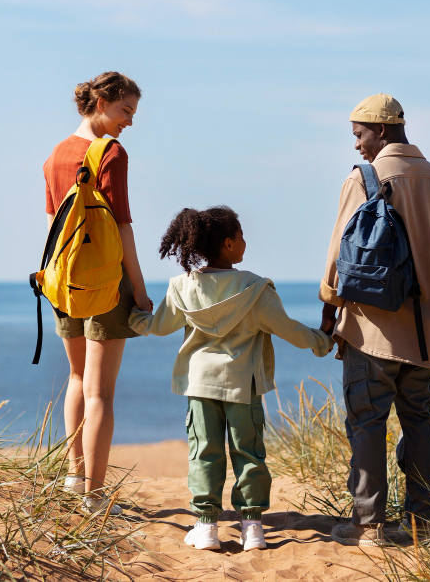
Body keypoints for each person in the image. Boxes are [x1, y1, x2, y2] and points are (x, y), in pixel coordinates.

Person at [129, 206, 333, 552]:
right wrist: (323, 341)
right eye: (240, 236)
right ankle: (252, 527)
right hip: (244, 386)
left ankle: (207, 526)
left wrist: (133, 315)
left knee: (204, 453)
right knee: (248, 453)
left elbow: (157, 326)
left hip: (200, 385)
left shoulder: (182, 286)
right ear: (228, 243)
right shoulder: (255, 289)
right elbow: (290, 330)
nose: (244, 241)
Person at [319, 93, 430, 546]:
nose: (357, 145)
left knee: (367, 420)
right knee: (419, 420)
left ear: (381, 129)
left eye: (359, 135)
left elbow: (338, 261)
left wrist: (330, 305)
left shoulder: (365, 179)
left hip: (373, 327)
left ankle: (369, 524)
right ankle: (423, 523)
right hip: (427, 332)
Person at [42, 71, 153, 514]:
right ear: (103, 101)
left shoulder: (54, 156)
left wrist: (53, 279)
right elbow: (122, 224)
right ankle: (95, 494)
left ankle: (74, 477)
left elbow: (53, 226)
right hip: (108, 283)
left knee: (75, 378)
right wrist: (140, 290)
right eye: (126, 110)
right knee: (101, 393)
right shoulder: (109, 152)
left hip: (63, 279)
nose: (130, 121)